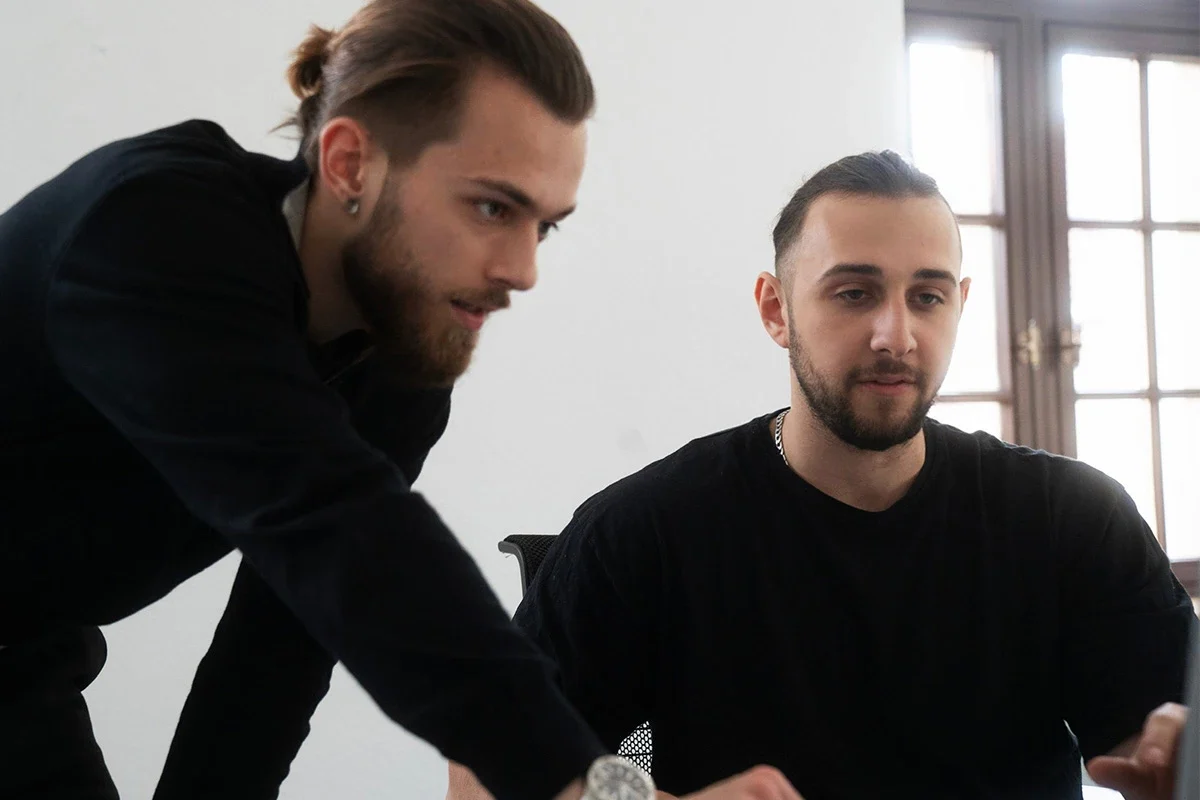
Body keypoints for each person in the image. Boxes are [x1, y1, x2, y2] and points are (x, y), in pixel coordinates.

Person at [0, 1, 807, 799]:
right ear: (350, 162)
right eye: (493, 207)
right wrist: (593, 792)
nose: (524, 269)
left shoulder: (398, 366)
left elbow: (281, 646)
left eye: (545, 226)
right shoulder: (157, 233)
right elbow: (356, 549)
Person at [448, 151, 1197, 800]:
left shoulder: (1072, 517)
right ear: (777, 310)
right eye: (854, 292)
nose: (895, 335)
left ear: (959, 307)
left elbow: (1156, 735)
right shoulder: (646, 531)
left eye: (928, 296)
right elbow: (484, 770)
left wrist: (1169, 757)